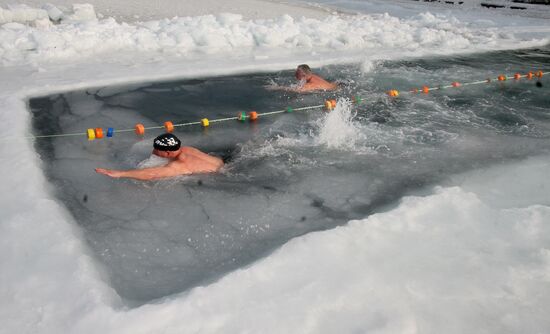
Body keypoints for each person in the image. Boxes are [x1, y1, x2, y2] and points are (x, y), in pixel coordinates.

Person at [95, 133, 224, 180]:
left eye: (157, 150)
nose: (154, 151)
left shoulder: (179, 164)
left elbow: (152, 174)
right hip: (223, 163)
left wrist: (121, 174)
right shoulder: (188, 149)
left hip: (220, 176)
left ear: (167, 153)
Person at [268, 64, 339, 93]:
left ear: (304, 75)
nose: (295, 74)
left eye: (297, 72)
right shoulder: (312, 76)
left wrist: (277, 88)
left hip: (335, 91)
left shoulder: (311, 84)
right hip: (336, 86)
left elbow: (298, 90)